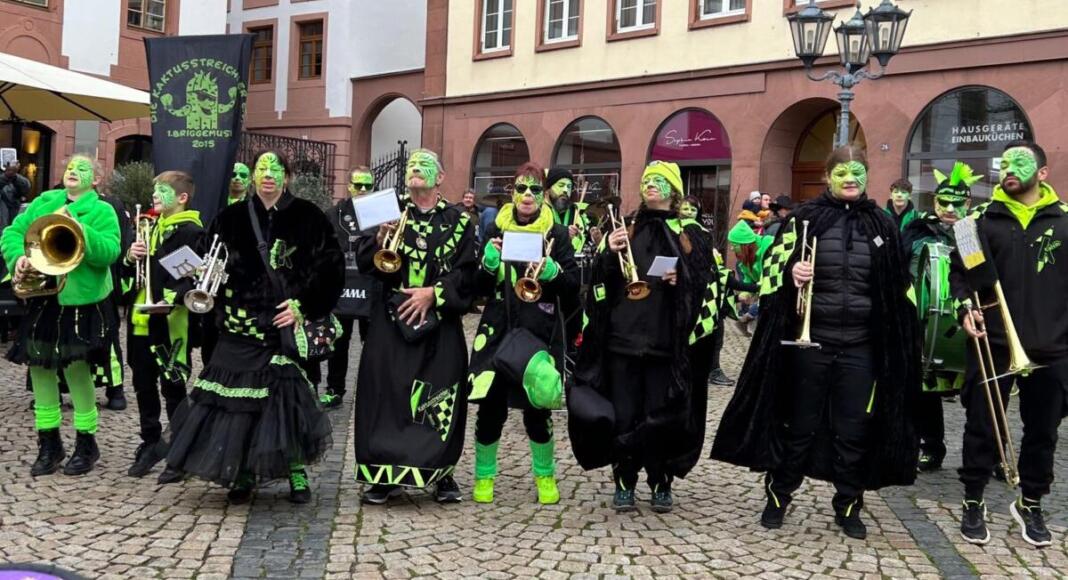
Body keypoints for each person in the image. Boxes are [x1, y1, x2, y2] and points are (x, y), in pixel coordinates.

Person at [712, 146, 920, 540]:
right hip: (812, 342)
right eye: (841, 171)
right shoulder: (805, 218)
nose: (850, 178)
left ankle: (848, 502)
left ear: (867, 175)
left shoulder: (881, 224)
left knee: (854, 427)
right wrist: (792, 271)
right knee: (800, 423)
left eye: (857, 171)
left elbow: (897, 288)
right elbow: (769, 276)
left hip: (862, 346)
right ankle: (779, 495)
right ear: (828, 176)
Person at [161, 150, 343, 505]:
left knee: (285, 402)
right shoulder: (229, 217)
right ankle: (242, 470)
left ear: (287, 177)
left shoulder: (309, 216)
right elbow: (202, 258)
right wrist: (193, 278)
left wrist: (302, 306)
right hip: (237, 324)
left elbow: (331, 268)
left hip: (283, 325)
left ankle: (295, 471)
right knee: (237, 406)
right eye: (262, 169)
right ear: (254, 177)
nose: (268, 175)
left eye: (276, 170)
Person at [568, 160, 712, 514]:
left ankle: (661, 480)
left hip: (666, 345)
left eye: (660, 181)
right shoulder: (626, 228)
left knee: (662, 413)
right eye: (647, 179)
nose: (651, 185)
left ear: (674, 190)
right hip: (623, 342)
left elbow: (707, 287)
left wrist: (683, 283)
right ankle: (625, 478)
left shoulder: (692, 233)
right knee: (625, 413)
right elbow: (598, 288)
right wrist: (607, 255)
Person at [952, 141, 1067, 548]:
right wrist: (965, 309)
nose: (1010, 169)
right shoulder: (974, 222)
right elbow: (959, 276)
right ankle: (973, 498)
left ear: (1043, 172)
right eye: (1004, 164)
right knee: (981, 425)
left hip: (1051, 346)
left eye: (1021, 162)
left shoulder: (1065, 221)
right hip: (994, 341)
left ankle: (1032, 501)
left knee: (1044, 431)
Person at [354, 148, 476, 505]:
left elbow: (468, 275)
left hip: (439, 324)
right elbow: (365, 262)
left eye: (423, 165)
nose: (414, 170)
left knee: (439, 396)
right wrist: (377, 240)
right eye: (410, 165)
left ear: (439, 178)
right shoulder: (387, 211)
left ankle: (441, 472)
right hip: (391, 323)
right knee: (386, 395)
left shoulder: (459, 220)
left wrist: (434, 294)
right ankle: (383, 473)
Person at [467, 162, 578, 505]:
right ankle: (484, 477)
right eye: (520, 189)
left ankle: (544, 475)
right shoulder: (494, 229)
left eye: (533, 189)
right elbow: (477, 289)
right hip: (498, 329)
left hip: (539, 329)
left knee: (537, 408)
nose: (527, 195)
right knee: (490, 406)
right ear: (512, 192)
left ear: (543, 194)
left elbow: (573, 286)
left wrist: (554, 272)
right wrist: (486, 264)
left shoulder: (556, 234)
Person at [3, 155, 121, 477]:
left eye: (82, 169)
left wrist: (79, 228)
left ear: (95, 180)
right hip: (43, 297)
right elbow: (13, 233)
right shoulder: (45, 201)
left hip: (80, 302)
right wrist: (18, 260)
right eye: (70, 166)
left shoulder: (103, 210)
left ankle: (86, 443)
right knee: (40, 369)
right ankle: (49, 444)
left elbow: (110, 252)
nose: (72, 170)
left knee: (76, 369)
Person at [124, 171, 204, 478]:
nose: (154, 196)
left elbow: (193, 279)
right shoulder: (151, 226)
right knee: (142, 383)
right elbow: (131, 274)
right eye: (154, 191)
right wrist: (131, 258)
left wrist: (170, 297)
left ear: (182, 198)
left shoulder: (191, 231)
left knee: (172, 384)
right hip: (141, 317)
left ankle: (180, 452)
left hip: (170, 321)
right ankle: (150, 441)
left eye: (161, 191)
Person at [900, 162, 979, 474]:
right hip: (922, 324)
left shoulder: (972, 233)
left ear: (968, 203)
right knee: (925, 391)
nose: (949, 208)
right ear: (934, 201)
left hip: (967, 323)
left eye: (956, 202)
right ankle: (931, 447)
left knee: (976, 392)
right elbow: (898, 267)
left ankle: (986, 454)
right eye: (943, 202)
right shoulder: (917, 230)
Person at [315, 167, 380, 409]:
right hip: (341, 286)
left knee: (372, 343)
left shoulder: (379, 214)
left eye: (367, 185)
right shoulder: (333, 213)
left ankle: (373, 390)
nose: (362, 190)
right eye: (358, 185)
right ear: (349, 185)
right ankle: (334, 389)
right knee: (338, 342)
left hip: (371, 286)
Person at [727, 220, 772, 334]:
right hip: (764, 296)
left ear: (745, 244)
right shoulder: (745, 259)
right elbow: (748, 279)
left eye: (734, 245)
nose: (732, 248)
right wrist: (745, 293)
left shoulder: (768, 246)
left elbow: (768, 276)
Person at [545, 168, 592, 254]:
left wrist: (596, 239)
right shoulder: (539, 211)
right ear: (548, 189)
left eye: (569, 187)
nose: (566, 190)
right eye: (561, 185)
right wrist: (564, 234)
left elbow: (585, 242)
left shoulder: (575, 212)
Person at [0, 160, 30, 230]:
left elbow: (26, 187)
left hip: (11, 219)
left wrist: (14, 176)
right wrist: (6, 176)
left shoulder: (14, 177)